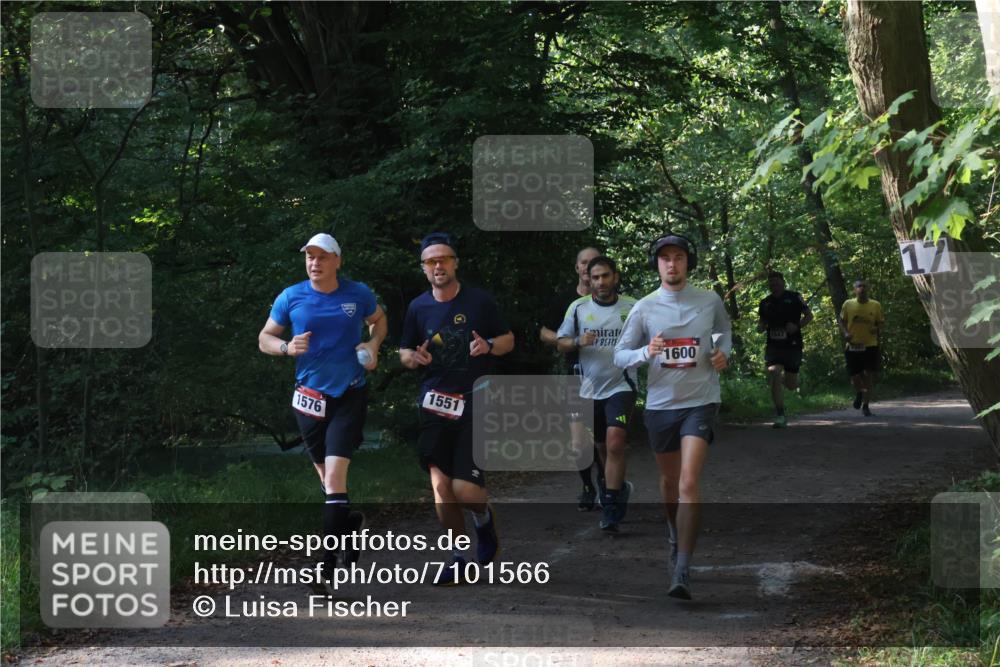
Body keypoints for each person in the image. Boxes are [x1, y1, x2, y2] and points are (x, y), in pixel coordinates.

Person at [258, 233, 387, 580]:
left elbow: (380, 321)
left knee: (334, 477)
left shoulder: (357, 293)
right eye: (310, 257)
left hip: (349, 394)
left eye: (322, 257)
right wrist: (286, 348)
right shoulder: (291, 296)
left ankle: (324, 570)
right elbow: (264, 338)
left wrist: (373, 346)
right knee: (328, 483)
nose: (315, 263)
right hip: (308, 399)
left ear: (337, 261)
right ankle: (352, 522)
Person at [614, 232, 731, 600]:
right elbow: (620, 354)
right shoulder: (645, 308)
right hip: (661, 405)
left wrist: (722, 354)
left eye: (678, 257)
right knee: (668, 483)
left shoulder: (709, 300)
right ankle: (672, 530)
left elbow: (724, 333)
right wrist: (644, 352)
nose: (672, 263)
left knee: (688, 483)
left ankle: (682, 567)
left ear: (687, 262)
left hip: (700, 401)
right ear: (658, 265)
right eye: (665, 258)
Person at [399, 232, 514, 586]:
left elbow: (508, 341)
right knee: (441, 486)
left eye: (444, 259)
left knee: (465, 491)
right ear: (423, 268)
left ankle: (483, 520)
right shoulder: (418, 307)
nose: (438, 266)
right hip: (434, 404)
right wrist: (412, 358)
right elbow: (403, 351)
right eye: (431, 261)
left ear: (455, 263)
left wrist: (489, 345)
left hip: (475, 402)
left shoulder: (479, 301)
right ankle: (458, 556)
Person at [557, 256, 637, 533]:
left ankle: (612, 508)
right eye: (595, 277)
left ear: (615, 276)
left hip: (622, 385)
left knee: (615, 443)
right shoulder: (578, 308)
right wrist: (578, 341)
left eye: (605, 276)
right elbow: (561, 343)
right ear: (588, 280)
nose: (601, 282)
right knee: (602, 447)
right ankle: (617, 487)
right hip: (589, 388)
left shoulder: (633, 307)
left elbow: (650, 340)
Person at [540, 246, 606, 510]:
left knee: (602, 438)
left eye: (593, 263)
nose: (588, 268)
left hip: (606, 376)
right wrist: (568, 341)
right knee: (579, 441)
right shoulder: (564, 300)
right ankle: (587, 486)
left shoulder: (611, 299)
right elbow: (544, 332)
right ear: (577, 268)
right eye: (583, 263)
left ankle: (605, 482)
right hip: (576, 375)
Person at [757, 271, 814, 428]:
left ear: (783, 282)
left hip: (792, 346)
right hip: (774, 346)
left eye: (776, 282)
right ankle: (780, 415)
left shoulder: (794, 297)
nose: (773, 285)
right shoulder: (765, 303)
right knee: (773, 372)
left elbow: (809, 316)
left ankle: (792, 381)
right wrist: (760, 327)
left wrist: (796, 326)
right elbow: (762, 322)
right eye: (771, 283)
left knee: (790, 385)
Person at [839, 279, 884, 417]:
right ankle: (859, 392)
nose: (862, 288)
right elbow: (841, 320)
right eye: (859, 286)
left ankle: (866, 406)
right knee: (855, 376)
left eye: (864, 286)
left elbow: (881, 323)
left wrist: (876, 329)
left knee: (868, 375)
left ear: (868, 289)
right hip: (853, 345)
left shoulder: (875, 305)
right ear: (855, 290)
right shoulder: (848, 304)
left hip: (870, 345)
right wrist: (845, 333)